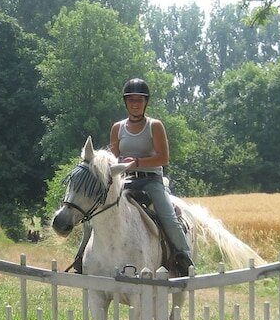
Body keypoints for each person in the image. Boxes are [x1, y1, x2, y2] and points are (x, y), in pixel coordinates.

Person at [71, 77, 194, 274]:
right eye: (131, 100)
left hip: (151, 181)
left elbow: (163, 158)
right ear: (125, 103)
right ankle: (81, 260)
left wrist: (136, 162)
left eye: (139, 100)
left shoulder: (155, 126)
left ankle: (183, 257)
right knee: (94, 213)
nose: (135, 104)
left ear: (146, 102)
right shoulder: (117, 128)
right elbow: (114, 158)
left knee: (168, 216)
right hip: (125, 181)